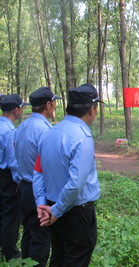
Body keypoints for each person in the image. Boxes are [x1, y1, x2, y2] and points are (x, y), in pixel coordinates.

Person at [32, 84, 102, 266]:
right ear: (92, 109)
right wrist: (56, 211)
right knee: (75, 260)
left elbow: (38, 171)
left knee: (58, 256)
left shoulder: (50, 133)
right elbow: (76, 183)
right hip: (76, 213)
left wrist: (42, 204)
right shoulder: (82, 137)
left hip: (53, 207)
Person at [14, 87, 62, 266]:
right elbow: (49, 164)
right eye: (54, 103)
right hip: (39, 191)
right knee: (41, 238)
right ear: (48, 105)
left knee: (28, 232)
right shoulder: (45, 130)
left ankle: (25, 263)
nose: (55, 106)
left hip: (24, 187)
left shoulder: (22, 126)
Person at [0, 94, 28, 261]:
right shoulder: (10, 132)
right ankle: (10, 254)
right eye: (22, 108)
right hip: (6, 178)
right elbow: (13, 162)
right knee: (11, 217)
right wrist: (19, 182)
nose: (23, 111)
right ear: (16, 110)